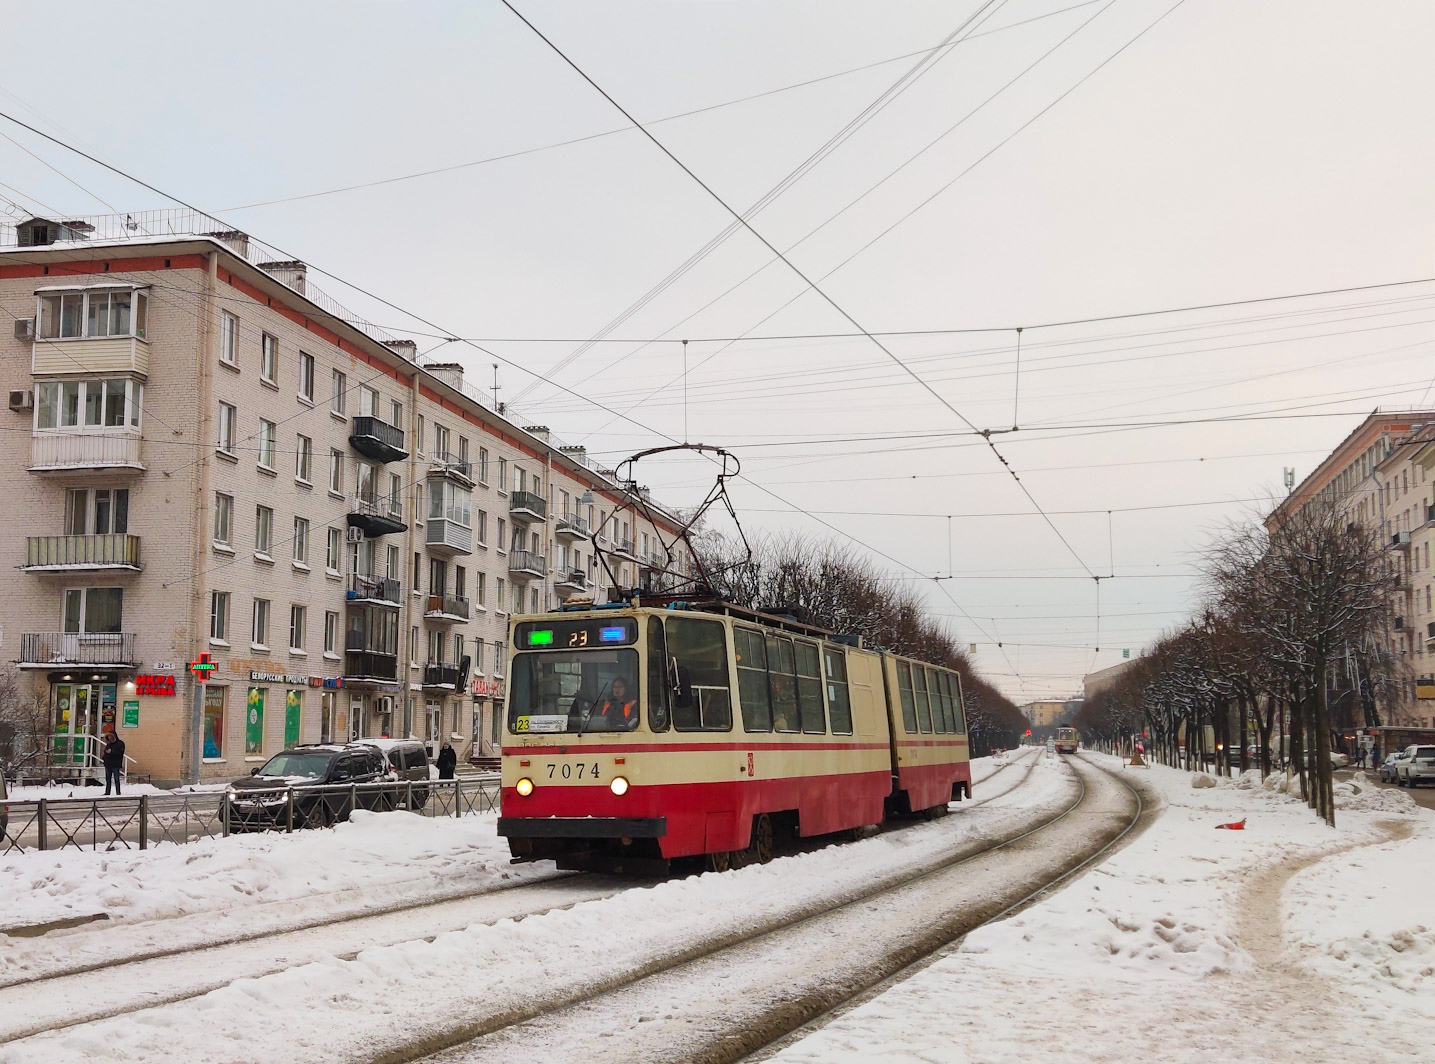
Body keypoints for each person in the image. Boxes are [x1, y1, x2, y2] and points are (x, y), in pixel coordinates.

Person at [102, 730, 126, 796]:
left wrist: (111, 752)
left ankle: (118, 792)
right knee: (108, 779)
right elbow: (106, 752)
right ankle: (107, 792)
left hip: (116, 764)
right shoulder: (108, 744)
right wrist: (104, 758)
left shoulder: (120, 744)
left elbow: (120, 753)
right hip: (108, 764)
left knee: (116, 779)